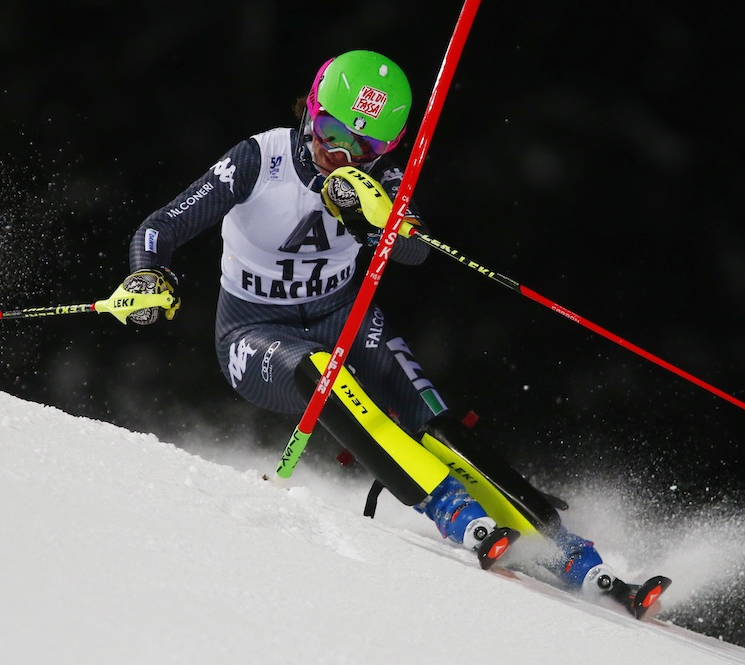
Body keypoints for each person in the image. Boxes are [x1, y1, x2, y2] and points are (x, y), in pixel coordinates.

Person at [118, 49, 636, 603]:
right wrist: (149, 274)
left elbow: (415, 249)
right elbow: (160, 227)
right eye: (327, 129)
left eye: (359, 146)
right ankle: (450, 509)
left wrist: (376, 220)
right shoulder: (259, 159)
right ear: (309, 109)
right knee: (324, 375)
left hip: (346, 315)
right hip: (253, 333)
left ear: (383, 150)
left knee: (433, 420)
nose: (335, 152)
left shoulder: (384, 176)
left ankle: (564, 549)